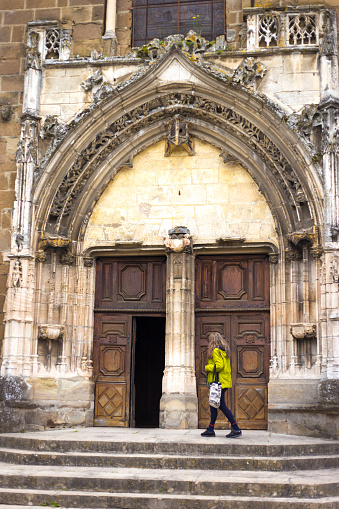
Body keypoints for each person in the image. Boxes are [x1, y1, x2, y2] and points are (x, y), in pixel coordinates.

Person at [201, 332, 242, 438]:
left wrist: (207, 367)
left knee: (221, 405)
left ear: (212, 341)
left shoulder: (215, 351)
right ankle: (210, 429)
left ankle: (236, 428)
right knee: (213, 405)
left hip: (218, 382)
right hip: (223, 381)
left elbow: (219, 366)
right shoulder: (223, 351)